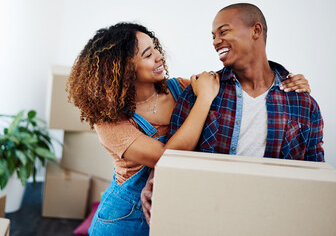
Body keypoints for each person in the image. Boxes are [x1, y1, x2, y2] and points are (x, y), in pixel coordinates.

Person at [67, 22, 311, 235]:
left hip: (171, 209)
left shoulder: (180, 89)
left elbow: (239, 90)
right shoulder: (110, 123)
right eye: (148, 54)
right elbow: (167, 157)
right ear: (124, 69)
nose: (159, 56)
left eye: (156, 48)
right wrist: (204, 98)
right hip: (124, 220)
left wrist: (286, 84)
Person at [141, 2, 324, 225]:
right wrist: (155, 179)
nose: (215, 41)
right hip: (207, 218)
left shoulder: (304, 104)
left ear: (256, 30)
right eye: (213, 36)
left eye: (223, 31)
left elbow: (316, 178)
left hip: (273, 221)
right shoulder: (198, 93)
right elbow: (173, 159)